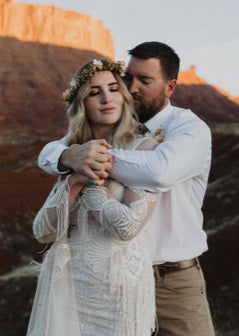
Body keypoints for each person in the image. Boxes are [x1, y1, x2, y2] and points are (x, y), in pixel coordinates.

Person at [38, 42, 215, 336]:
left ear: (170, 87)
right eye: (128, 78)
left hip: (170, 279)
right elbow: (53, 152)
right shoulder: (112, 125)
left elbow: (159, 172)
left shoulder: (187, 127)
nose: (132, 88)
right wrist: (67, 157)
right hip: (108, 285)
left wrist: (89, 158)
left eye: (145, 81)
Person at [27, 59, 161, 336]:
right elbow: (43, 232)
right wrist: (74, 179)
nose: (106, 98)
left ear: (123, 97)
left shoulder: (144, 149)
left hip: (119, 296)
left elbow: (126, 228)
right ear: (81, 104)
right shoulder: (75, 154)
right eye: (94, 92)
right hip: (71, 290)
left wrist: (90, 185)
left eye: (113, 89)